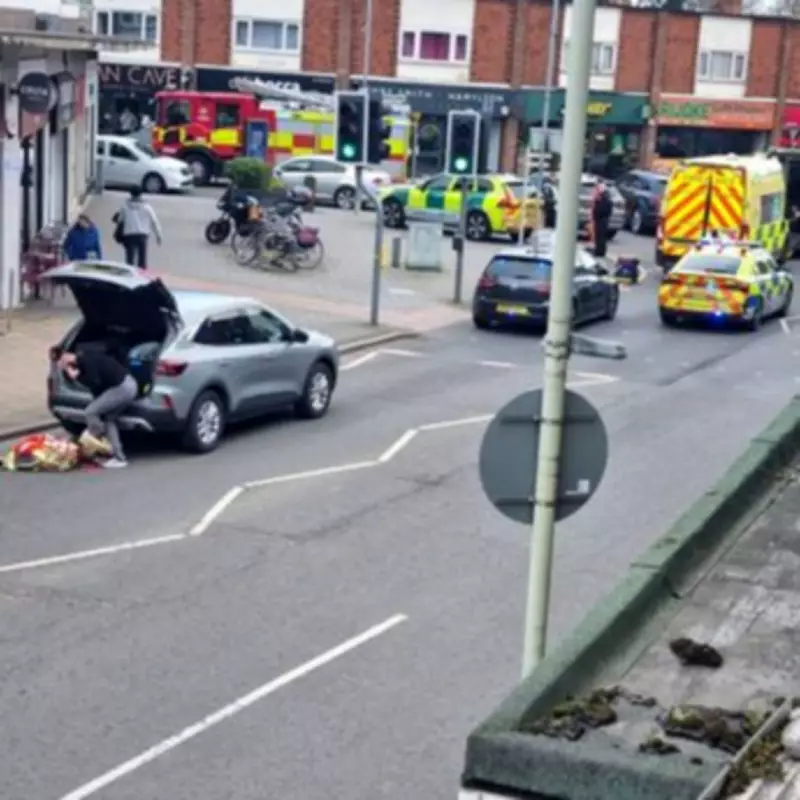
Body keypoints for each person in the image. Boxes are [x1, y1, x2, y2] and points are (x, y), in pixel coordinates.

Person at [57, 347, 138, 469]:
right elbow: (97, 389)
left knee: (90, 412)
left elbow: (94, 382)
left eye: (60, 362)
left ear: (66, 356)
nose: (61, 366)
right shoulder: (83, 361)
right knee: (108, 418)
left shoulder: (87, 360)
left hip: (122, 388)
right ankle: (119, 457)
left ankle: (97, 440)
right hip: (128, 386)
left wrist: (77, 377)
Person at [114, 187, 162, 268]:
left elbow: (119, 219)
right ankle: (142, 275)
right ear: (141, 194)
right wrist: (159, 235)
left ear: (131, 194)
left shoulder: (125, 206)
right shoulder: (147, 207)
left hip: (129, 234)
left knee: (130, 259)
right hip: (143, 235)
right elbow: (154, 221)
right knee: (142, 259)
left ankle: (130, 276)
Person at [591, 181, 613, 258]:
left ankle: (599, 251)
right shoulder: (605, 200)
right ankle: (599, 250)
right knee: (599, 236)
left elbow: (600, 210)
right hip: (602, 220)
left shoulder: (603, 200)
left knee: (600, 236)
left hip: (602, 220)